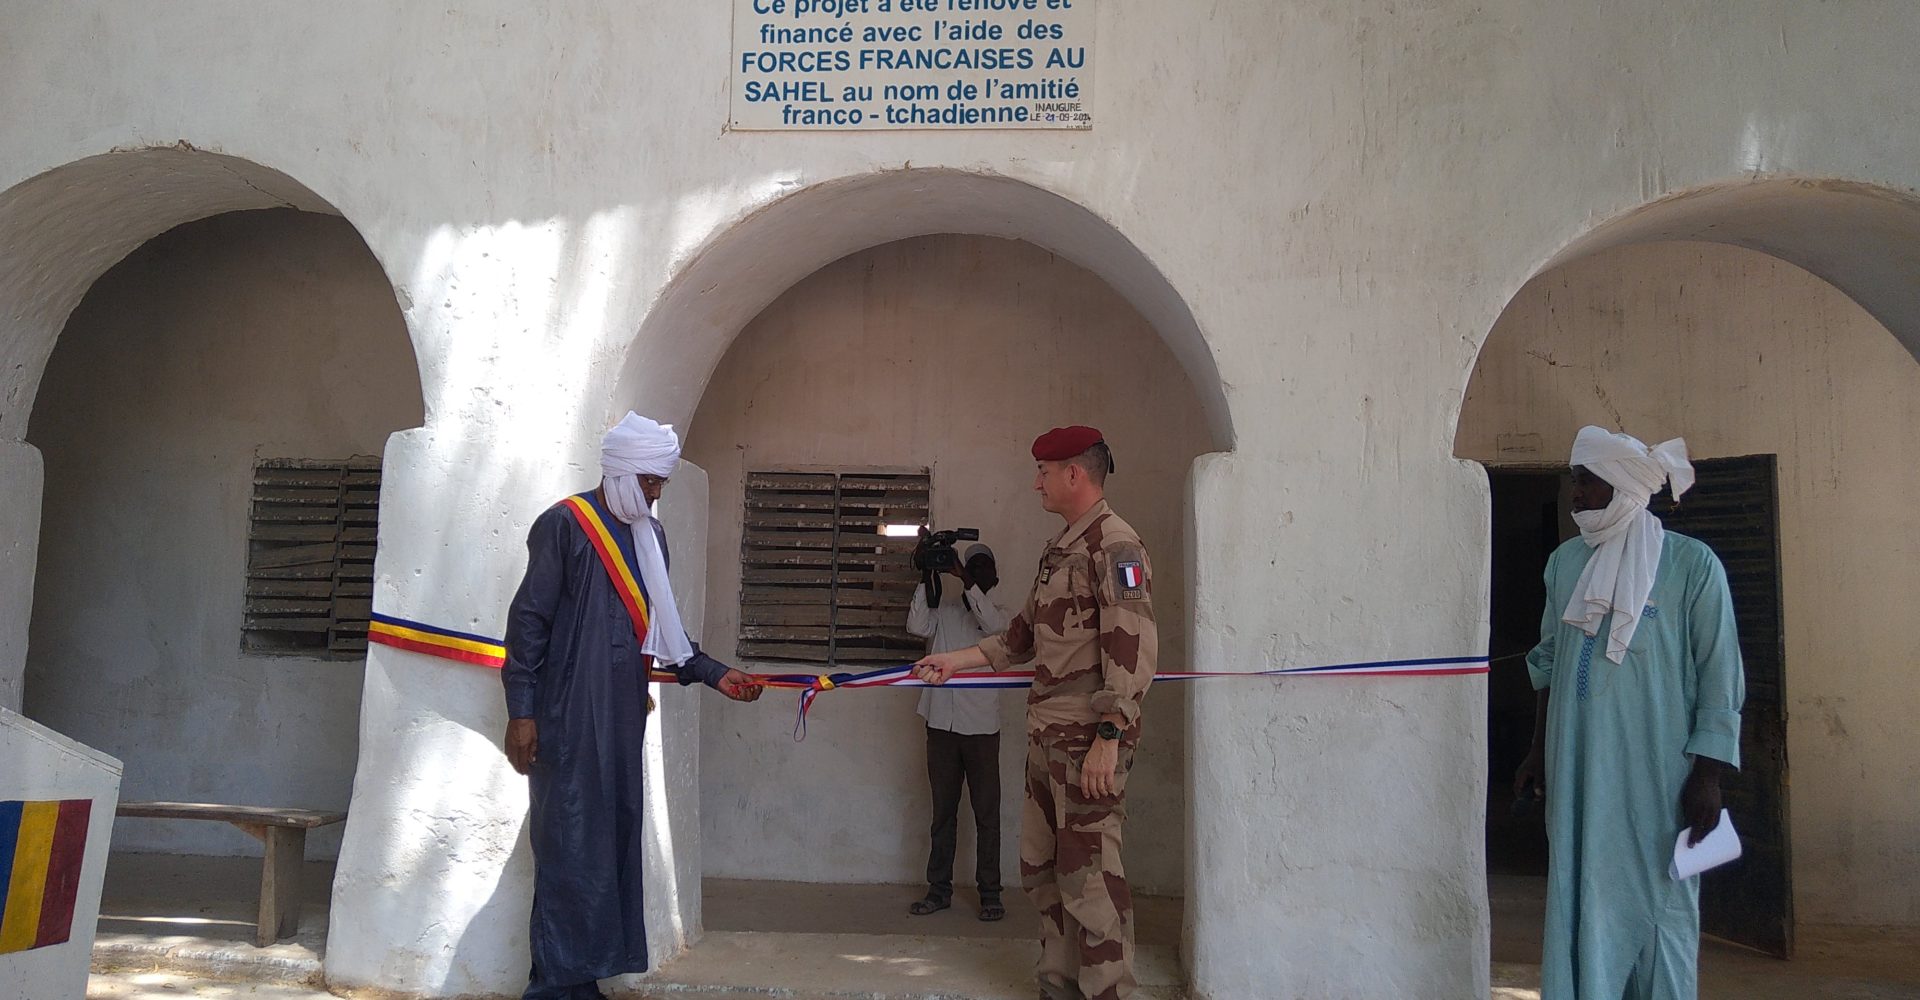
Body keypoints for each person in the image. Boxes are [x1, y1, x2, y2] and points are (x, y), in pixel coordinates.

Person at [501, 412, 764, 1000]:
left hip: (621, 718)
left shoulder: (653, 535)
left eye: (660, 482)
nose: (655, 492)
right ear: (619, 471)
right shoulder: (565, 525)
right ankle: (553, 988)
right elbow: (528, 624)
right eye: (648, 480)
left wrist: (718, 675)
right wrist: (522, 712)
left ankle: (583, 978)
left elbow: (662, 634)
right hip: (565, 718)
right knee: (568, 844)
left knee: (608, 846)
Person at [913, 425, 1156, 1000]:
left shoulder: (1115, 547)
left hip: (1088, 741)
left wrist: (1108, 736)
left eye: (1043, 472)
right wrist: (956, 660)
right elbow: (1020, 636)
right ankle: (1060, 984)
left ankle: (1107, 991)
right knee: (1044, 871)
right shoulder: (1062, 547)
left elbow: (1134, 647)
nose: (1035, 483)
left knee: (1091, 878)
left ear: (1075, 473)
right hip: (1049, 736)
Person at [1513, 426, 1745, 1000]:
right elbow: (1548, 662)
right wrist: (1539, 750)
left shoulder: (1693, 565)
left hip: (1660, 775)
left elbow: (1721, 674)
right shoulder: (1565, 563)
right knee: (1580, 891)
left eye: (1587, 482)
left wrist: (1709, 774)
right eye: (1575, 482)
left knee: (1661, 904)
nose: (1576, 496)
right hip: (1578, 768)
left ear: (1621, 485)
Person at [905, 537, 1011, 921]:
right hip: (941, 726)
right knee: (943, 813)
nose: (977, 573)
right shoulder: (946, 611)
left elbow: (993, 628)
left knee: (987, 814)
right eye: (972, 566)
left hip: (981, 729)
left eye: (982, 568)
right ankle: (938, 890)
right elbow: (917, 625)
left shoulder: (1002, 615)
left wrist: (965, 578)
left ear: (993, 576)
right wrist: (925, 573)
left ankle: (990, 894)